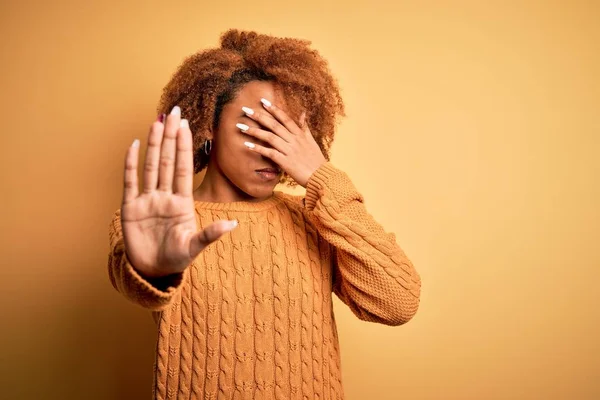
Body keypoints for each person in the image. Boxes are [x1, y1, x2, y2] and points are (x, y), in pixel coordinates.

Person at [108, 29, 421, 400]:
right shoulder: (157, 224)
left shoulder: (315, 219)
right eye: (255, 130)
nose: (271, 153)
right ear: (208, 125)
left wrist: (323, 178)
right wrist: (153, 272)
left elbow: (397, 302)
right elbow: (135, 280)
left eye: (284, 135)